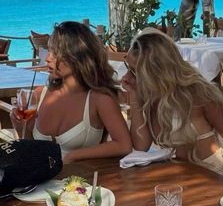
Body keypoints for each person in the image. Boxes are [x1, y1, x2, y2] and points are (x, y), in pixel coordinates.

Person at [11, 21, 132, 164]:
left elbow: (124, 145)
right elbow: (29, 150)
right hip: (40, 183)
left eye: (55, 53)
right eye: (48, 51)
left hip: (81, 183)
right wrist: (20, 128)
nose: (47, 58)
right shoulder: (39, 94)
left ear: (77, 56)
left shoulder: (99, 99)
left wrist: (75, 155)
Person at [121, 27, 223, 178]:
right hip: (179, 178)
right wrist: (135, 94)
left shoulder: (196, 93)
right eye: (127, 67)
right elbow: (141, 146)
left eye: (134, 70)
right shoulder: (149, 95)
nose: (127, 75)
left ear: (154, 71)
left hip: (214, 176)